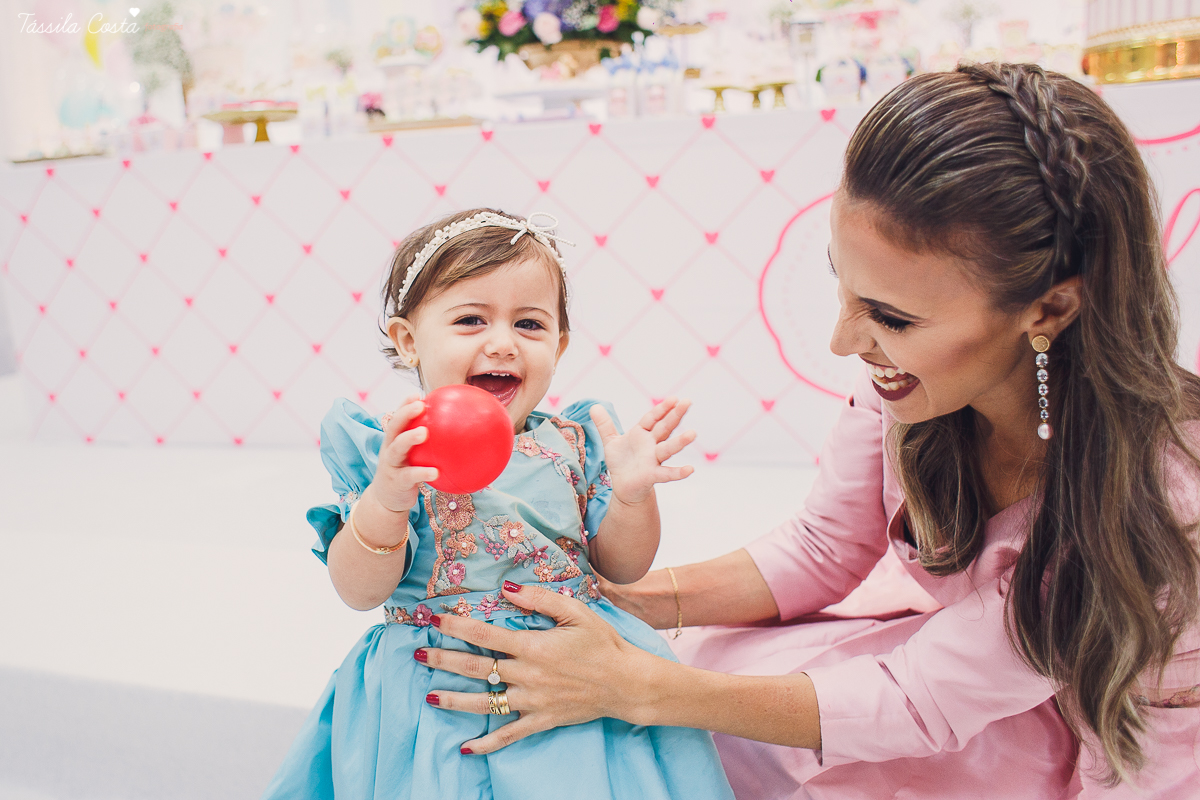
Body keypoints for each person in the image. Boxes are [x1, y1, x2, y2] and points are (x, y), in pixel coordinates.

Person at [416, 63, 1200, 799]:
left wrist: (639, 686)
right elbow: (825, 547)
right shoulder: (920, 388)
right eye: (843, 286)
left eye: (891, 317)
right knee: (704, 677)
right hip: (968, 678)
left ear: (1049, 309)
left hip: (1121, 744)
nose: (844, 341)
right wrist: (612, 600)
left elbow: (916, 702)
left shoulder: (1158, 506)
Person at [260, 208, 735, 799]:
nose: (503, 343)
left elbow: (622, 566)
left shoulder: (574, 442)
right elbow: (358, 590)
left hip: (578, 674)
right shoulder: (394, 452)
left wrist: (632, 497)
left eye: (530, 324)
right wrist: (387, 500)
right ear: (409, 341)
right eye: (470, 319)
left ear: (560, 345)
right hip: (436, 698)